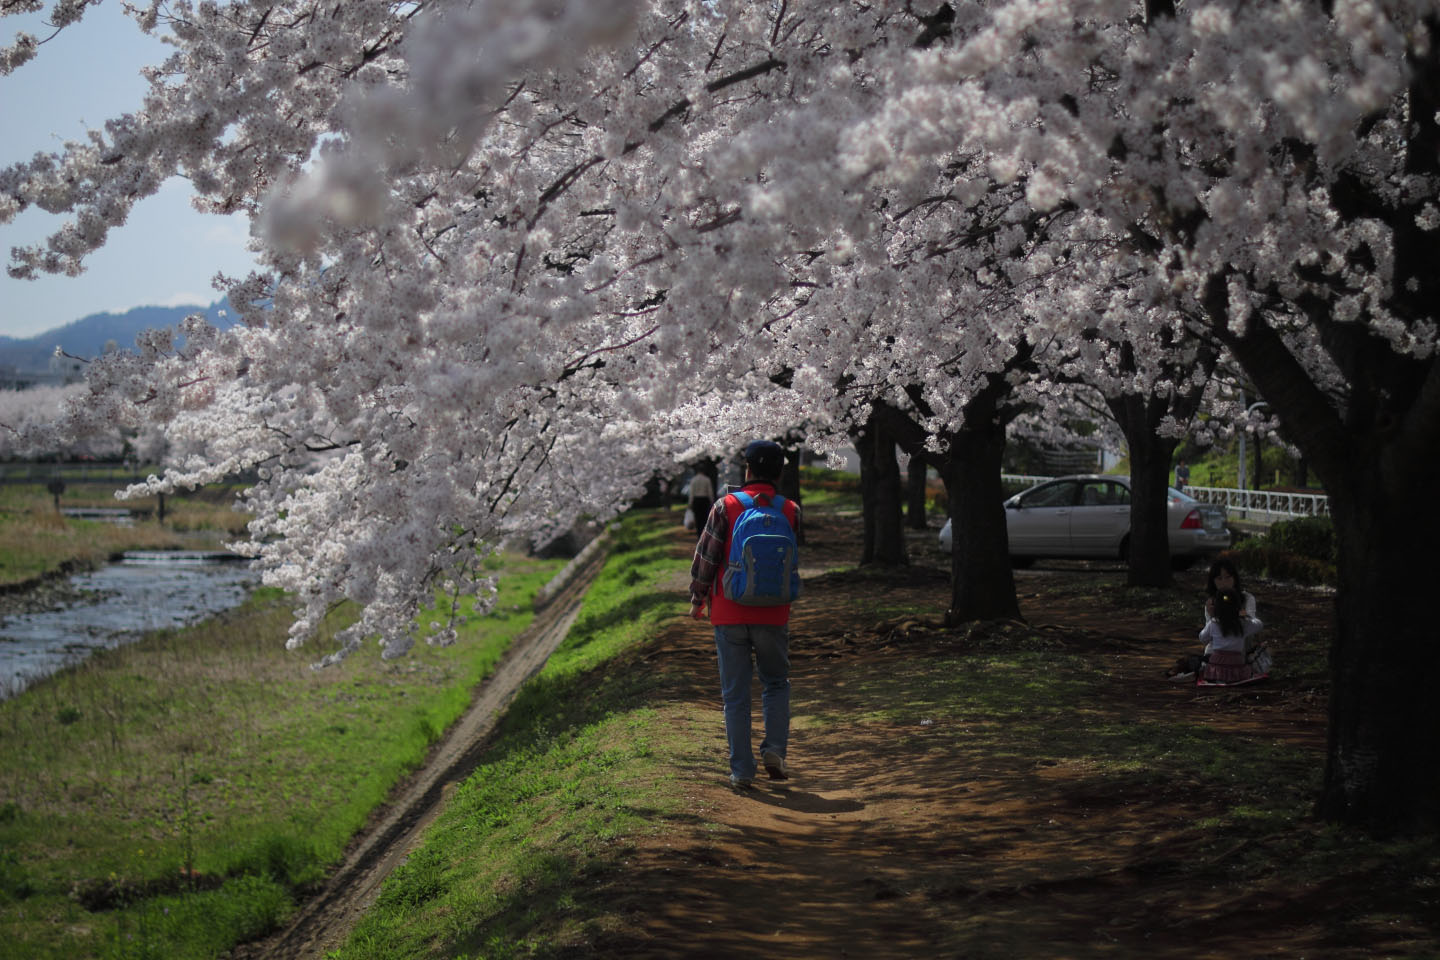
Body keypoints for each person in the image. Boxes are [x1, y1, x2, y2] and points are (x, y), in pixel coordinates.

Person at [689, 440, 801, 788]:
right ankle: (775, 750)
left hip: (729, 611)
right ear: (780, 472)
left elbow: (706, 557)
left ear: (747, 470)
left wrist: (698, 598)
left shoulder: (726, 506)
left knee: (735, 695)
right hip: (773, 611)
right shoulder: (791, 510)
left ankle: (741, 770)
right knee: (776, 683)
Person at [1197, 588, 1268, 685]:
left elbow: (1202, 638)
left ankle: (1219, 679)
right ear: (1238, 607)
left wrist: (1210, 618)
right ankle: (1234, 678)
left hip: (1217, 665)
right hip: (1237, 663)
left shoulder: (1213, 623)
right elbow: (1259, 625)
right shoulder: (1243, 623)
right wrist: (1246, 615)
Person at [687, 468, 714, 540]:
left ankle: (699, 534)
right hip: (704, 500)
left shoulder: (693, 480)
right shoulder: (707, 479)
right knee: (704, 518)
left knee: (697, 518)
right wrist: (712, 501)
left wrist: (690, 503)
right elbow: (710, 492)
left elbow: (691, 493)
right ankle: (704, 534)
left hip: (696, 500)